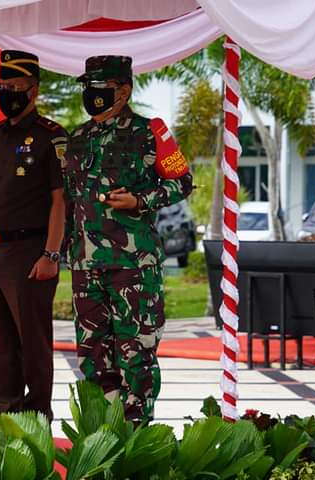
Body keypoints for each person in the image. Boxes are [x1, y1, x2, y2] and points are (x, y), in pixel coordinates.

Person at [64, 55, 193, 424]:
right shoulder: (77, 138)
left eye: (100, 88)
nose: (92, 96)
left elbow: (182, 181)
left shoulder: (150, 132)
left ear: (123, 90)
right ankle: (100, 431)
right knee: (92, 353)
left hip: (133, 265)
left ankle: (136, 432)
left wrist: (141, 200)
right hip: (85, 265)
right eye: (88, 88)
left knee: (135, 353)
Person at [0, 50, 66, 441]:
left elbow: (60, 200)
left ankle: (37, 419)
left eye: (15, 88)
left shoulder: (50, 136)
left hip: (30, 253)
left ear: (34, 91)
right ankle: (3, 418)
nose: (7, 94)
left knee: (32, 339)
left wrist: (52, 254)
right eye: (2, 87)